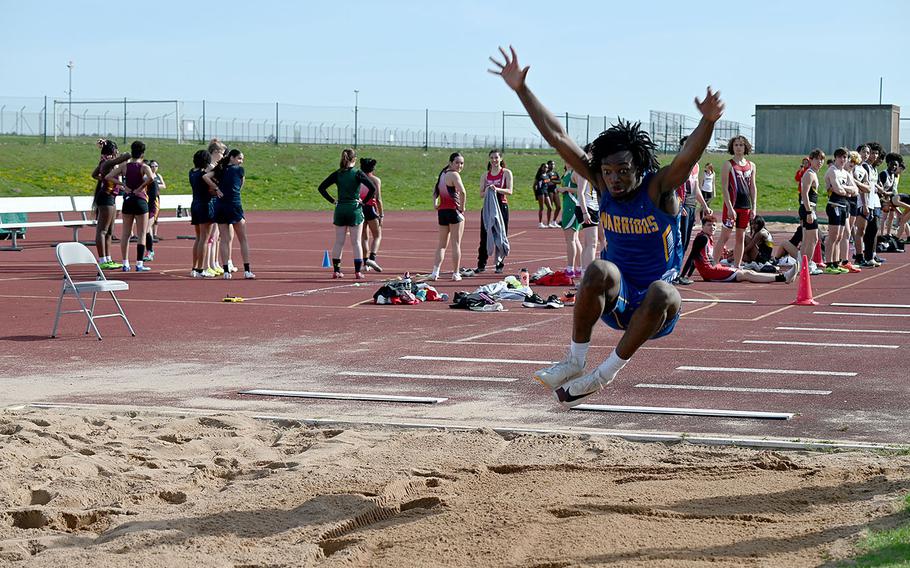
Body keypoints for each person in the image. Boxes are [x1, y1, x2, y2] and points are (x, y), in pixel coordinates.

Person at [490, 45, 724, 406]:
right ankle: (574, 360)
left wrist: (707, 122)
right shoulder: (601, 183)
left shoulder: (658, 187)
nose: (614, 179)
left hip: (654, 310)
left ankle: (603, 375)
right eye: (609, 172)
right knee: (598, 267)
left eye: (623, 171)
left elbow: (687, 155)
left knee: (665, 291)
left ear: (639, 168)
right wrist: (522, 89)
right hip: (618, 299)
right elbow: (559, 137)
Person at [681, 215, 796, 283]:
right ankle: (783, 277)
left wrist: (688, 275)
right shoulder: (702, 238)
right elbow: (692, 256)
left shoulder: (706, 238)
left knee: (747, 272)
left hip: (712, 269)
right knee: (746, 274)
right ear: (703, 226)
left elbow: (696, 259)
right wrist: (684, 276)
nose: (712, 227)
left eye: (714, 225)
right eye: (709, 225)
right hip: (711, 272)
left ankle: (783, 276)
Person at [317, 148, 376, 279]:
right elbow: (372, 188)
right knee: (356, 242)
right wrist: (363, 201)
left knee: (339, 242)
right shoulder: (357, 173)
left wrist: (333, 201)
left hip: (341, 209)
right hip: (354, 209)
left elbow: (321, 188)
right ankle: (357, 272)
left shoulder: (338, 173)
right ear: (354, 160)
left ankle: (336, 270)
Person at [105, 140, 154, 272]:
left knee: (125, 234)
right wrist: (141, 187)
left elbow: (109, 176)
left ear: (131, 151)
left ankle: (125, 263)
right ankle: (139, 264)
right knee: (142, 233)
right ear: (143, 153)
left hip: (128, 200)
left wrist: (123, 186)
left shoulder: (125, 166)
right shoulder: (144, 167)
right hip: (140, 200)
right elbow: (151, 178)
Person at [208, 149, 255, 279]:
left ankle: (226, 271)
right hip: (234, 205)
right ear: (232, 158)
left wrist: (216, 188)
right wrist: (220, 189)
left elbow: (205, 176)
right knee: (242, 239)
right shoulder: (239, 170)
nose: (241, 161)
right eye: (239, 158)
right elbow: (240, 186)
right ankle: (247, 270)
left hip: (221, 205)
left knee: (224, 239)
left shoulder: (220, 169)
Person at [673, 136, 712, 285]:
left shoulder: (695, 165)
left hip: (691, 205)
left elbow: (695, 188)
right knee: (679, 241)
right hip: (681, 206)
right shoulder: (679, 164)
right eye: (685, 146)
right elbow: (674, 187)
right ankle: (674, 273)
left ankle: (678, 273)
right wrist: (679, 206)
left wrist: (704, 205)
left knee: (686, 240)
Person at [717, 135, 757, 269]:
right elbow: (724, 187)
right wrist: (729, 207)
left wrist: (754, 207)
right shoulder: (728, 164)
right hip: (732, 206)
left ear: (745, 147)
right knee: (725, 236)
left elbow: (753, 187)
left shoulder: (751, 165)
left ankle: (737, 266)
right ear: (732, 147)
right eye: (736, 145)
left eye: (741, 145)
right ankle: (714, 264)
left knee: (741, 238)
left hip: (745, 207)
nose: (738, 147)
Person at [91, 140, 129, 270]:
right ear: (112, 151)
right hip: (105, 197)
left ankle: (108, 258)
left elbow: (94, 175)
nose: (117, 152)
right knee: (102, 230)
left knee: (110, 231)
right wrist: (128, 155)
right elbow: (121, 159)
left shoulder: (104, 162)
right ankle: (102, 260)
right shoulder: (107, 162)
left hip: (111, 197)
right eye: (116, 150)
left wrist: (103, 179)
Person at [430, 152, 467, 281]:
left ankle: (435, 272)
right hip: (453, 211)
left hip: (442, 212)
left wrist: (435, 204)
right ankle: (456, 273)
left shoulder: (443, 174)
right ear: (451, 162)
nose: (459, 165)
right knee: (456, 244)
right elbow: (462, 192)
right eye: (457, 162)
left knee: (441, 244)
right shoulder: (454, 175)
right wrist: (462, 207)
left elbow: (435, 192)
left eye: (462, 163)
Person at [476, 149, 513, 273]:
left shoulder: (506, 173)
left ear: (501, 159)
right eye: (492, 158)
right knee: (485, 235)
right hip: (488, 208)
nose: (494, 160)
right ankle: (481, 264)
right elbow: (481, 194)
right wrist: (487, 190)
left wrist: (497, 189)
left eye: (496, 158)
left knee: (501, 234)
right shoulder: (485, 175)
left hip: (501, 206)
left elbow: (510, 191)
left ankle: (499, 264)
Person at [822, 148, 853, 274]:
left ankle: (836, 262)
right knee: (833, 236)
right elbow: (837, 190)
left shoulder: (845, 173)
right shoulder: (832, 171)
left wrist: (845, 189)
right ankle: (829, 263)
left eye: (845, 157)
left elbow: (855, 190)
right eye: (840, 157)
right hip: (834, 205)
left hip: (844, 205)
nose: (843, 160)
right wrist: (846, 191)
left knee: (840, 236)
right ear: (835, 158)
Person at [189, 149, 216, 278]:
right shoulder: (204, 174)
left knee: (199, 238)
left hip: (195, 204)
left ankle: (195, 267)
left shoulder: (192, 172)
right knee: (204, 239)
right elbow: (212, 188)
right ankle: (201, 269)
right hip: (205, 205)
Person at [798, 149, 825, 275]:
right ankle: (807, 264)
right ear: (811, 160)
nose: (820, 162)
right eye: (817, 159)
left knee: (807, 239)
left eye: (822, 159)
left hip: (809, 208)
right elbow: (804, 194)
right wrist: (809, 212)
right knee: (813, 239)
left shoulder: (813, 173)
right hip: (808, 208)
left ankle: (802, 264)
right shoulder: (809, 174)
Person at [203, 139, 228, 276]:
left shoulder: (215, 166)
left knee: (216, 236)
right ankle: (207, 265)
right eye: (222, 153)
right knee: (210, 236)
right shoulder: (210, 167)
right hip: (211, 201)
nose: (223, 156)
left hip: (216, 201)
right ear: (215, 152)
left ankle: (214, 263)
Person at [556, 163, 582, 277]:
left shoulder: (574, 172)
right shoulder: (566, 173)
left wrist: (566, 189)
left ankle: (570, 268)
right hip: (567, 207)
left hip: (573, 208)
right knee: (574, 239)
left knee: (571, 239)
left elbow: (581, 189)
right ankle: (579, 267)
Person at [359, 157, 384, 272]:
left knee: (364, 237)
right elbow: (378, 199)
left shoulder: (358, 178)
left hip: (360, 208)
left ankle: (365, 263)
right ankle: (372, 258)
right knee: (377, 235)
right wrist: (381, 214)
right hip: (371, 208)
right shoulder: (375, 180)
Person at [143, 159, 165, 262]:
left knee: (146, 229)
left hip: (152, 206)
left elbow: (154, 196)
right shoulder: (144, 178)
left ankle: (150, 251)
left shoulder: (153, 180)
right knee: (147, 230)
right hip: (145, 206)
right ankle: (148, 251)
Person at [533, 163, 553, 228]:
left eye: (547, 167)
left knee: (550, 207)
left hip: (546, 192)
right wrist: (536, 194)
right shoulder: (539, 176)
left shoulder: (547, 175)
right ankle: (540, 223)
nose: (546, 168)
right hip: (540, 192)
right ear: (541, 168)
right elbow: (534, 185)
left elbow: (548, 184)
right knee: (541, 208)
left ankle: (548, 223)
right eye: (544, 167)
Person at [546, 160, 561, 227]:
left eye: (553, 164)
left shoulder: (555, 173)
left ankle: (554, 221)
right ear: (548, 165)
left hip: (555, 191)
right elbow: (547, 182)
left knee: (559, 207)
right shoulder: (546, 173)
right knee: (550, 207)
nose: (552, 166)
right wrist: (553, 181)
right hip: (549, 191)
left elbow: (559, 181)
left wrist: (552, 181)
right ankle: (548, 223)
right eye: (551, 164)